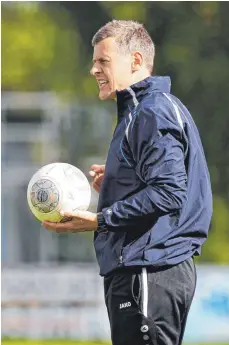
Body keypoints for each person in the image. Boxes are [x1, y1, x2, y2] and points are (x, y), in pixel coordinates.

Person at [43, 20, 213, 345]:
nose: (94, 69)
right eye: (94, 61)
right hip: (144, 270)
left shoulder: (152, 112)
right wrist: (121, 179)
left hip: (149, 269)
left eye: (103, 61)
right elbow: (163, 181)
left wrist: (100, 219)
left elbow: (169, 191)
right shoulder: (143, 112)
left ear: (135, 61)